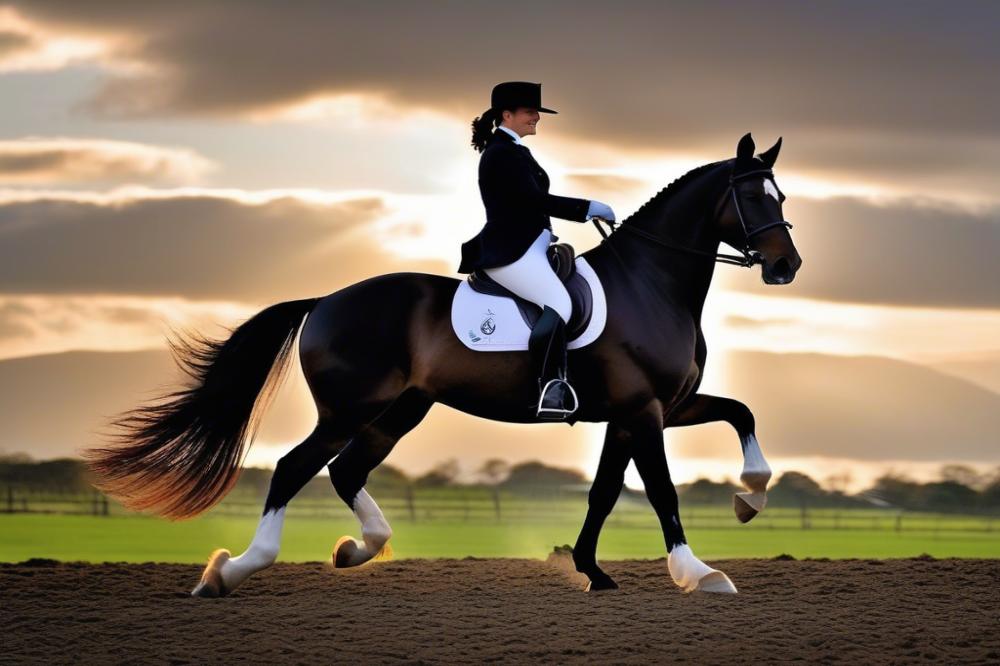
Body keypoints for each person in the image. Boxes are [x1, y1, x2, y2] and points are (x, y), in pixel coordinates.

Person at [460, 81, 615, 419]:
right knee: (559, 302)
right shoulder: (501, 153)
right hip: (510, 252)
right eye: (531, 112)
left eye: (536, 113)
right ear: (507, 114)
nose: (536, 118)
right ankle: (551, 385)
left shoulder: (515, 150)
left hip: (531, 247)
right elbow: (532, 201)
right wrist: (587, 207)